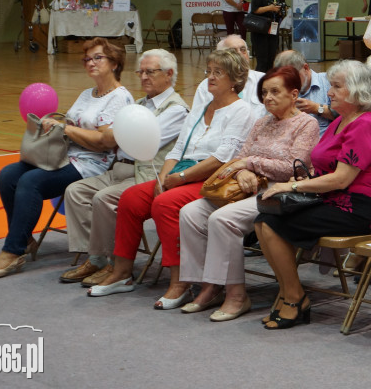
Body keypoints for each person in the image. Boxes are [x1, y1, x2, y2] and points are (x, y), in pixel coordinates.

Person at [88, 50, 257, 307]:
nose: (209, 77)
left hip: (212, 178)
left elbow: (223, 158)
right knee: (131, 198)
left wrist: (181, 177)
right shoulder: (202, 108)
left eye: (217, 73)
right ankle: (122, 273)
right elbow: (178, 149)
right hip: (182, 173)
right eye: (208, 71)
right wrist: (164, 176)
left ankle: (180, 280)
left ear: (234, 79)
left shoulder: (241, 110)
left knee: (165, 204)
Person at [0, 38, 133, 278]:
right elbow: (72, 126)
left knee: (31, 182)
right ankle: (24, 238)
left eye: (97, 58)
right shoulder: (86, 94)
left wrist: (66, 130)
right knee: (8, 175)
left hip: (93, 164)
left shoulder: (120, 98)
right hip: (66, 155)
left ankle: (13, 251)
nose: (90, 63)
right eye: (87, 59)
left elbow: (105, 141)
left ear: (114, 63)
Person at [177, 65, 319, 321]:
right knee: (190, 213)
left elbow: (291, 166)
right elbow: (240, 159)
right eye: (264, 93)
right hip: (245, 187)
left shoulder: (306, 124)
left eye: (275, 92)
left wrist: (250, 165)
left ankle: (237, 295)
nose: (268, 98)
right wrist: (243, 171)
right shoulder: (261, 122)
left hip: (279, 193)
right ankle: (207, 286)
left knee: (222, 220)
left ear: (294, 94)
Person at [254, 60, 371, 329]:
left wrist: (291, 186)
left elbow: (341, 179)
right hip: (331, 200)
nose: (329, 92)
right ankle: (290, 293)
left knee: (270, 225)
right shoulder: (341, 120)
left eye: (336, 87)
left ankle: (293, 297)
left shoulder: (365, 124)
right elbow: (324, 169)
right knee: (263, 222)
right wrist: (304, 179)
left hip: (353, 209)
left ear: (357, 90)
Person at [60, 49, 190, 284]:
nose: (143, 77)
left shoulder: (176, 109)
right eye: (141, 72)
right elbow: (113, 136)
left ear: (169, 74)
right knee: (75, 191)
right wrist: (109, 135)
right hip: (118, 168)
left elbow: (139, 142)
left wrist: (111, 134)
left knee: (104, 198)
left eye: (150, 72)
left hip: (146, 174)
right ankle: (96, 258)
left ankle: (114, 263)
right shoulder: (140, 104)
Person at [194, 35, 265, 118]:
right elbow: (196, 117)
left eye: (243, 50)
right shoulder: (206, 86)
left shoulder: (263, 80)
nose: (240, 54)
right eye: (233, 51)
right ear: (221, 57)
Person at [273, 49, 333, 135]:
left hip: (321, 144)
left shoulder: (329, 82)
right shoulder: (279, 89)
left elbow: (345, 114)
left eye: (293, 78)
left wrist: (316, 108)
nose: (290, 83)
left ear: (305, 68)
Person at [249, 0, 286, 73]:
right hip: (260, 30)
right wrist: (270, 8)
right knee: (262, 61)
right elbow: (255, 10)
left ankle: (268, 83)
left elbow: (280, 10)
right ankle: (259, 84)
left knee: (271, 60)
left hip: (273, 29)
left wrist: (280, 11)